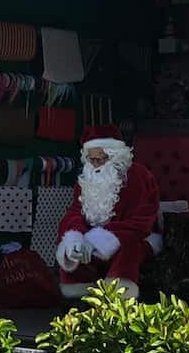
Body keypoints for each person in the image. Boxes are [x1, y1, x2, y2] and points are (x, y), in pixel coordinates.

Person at [55, 125, 160, 301]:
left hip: (134, 237)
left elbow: (141, 221)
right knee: (72, 246)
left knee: (129, 246)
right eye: (91, 159)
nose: (95, 165)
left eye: (100, 159)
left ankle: (119, 297)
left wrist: (99, 239)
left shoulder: (138, 176)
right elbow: (75, 212)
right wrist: (75, 237)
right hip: (92, 239)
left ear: (114, 156)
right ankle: (80, 296)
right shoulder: (86, 178)